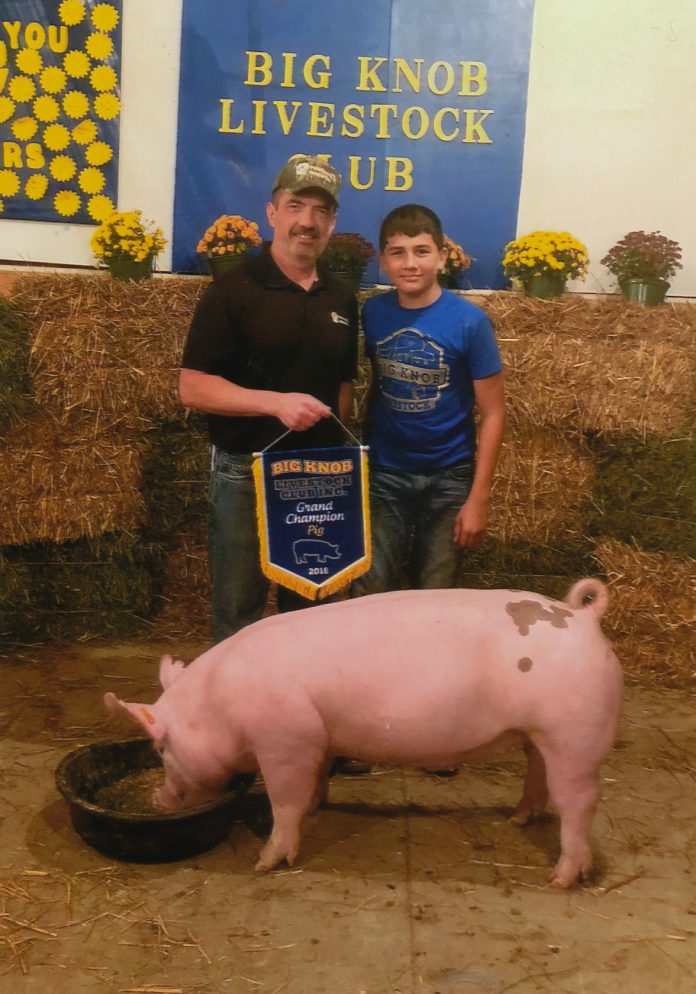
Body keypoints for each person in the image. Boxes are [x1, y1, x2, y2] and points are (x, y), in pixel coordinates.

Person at [179, 154, 359, 644]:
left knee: (310, 614)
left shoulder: (341, 298)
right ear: (272, 212)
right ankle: (234, 695)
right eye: (296, 206)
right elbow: (192, 386)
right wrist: (275, 403)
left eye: (321, 211)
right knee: (239, 612)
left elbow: (343, 388)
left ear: (333, 223)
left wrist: (340, 460)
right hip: (246, 473)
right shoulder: (232, 290)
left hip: (317, 477)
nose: (307, 221)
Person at [352, 203, 505, 597]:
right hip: (385, 472)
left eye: (421, 251)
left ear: (442, 256)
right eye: (397, 253)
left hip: (449, 477)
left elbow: (493, 413)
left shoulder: (470, 322)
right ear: (383, 261)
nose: (410, 263)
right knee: (370, 589)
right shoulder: (373, 313)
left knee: (437, 594)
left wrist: (478, 498)